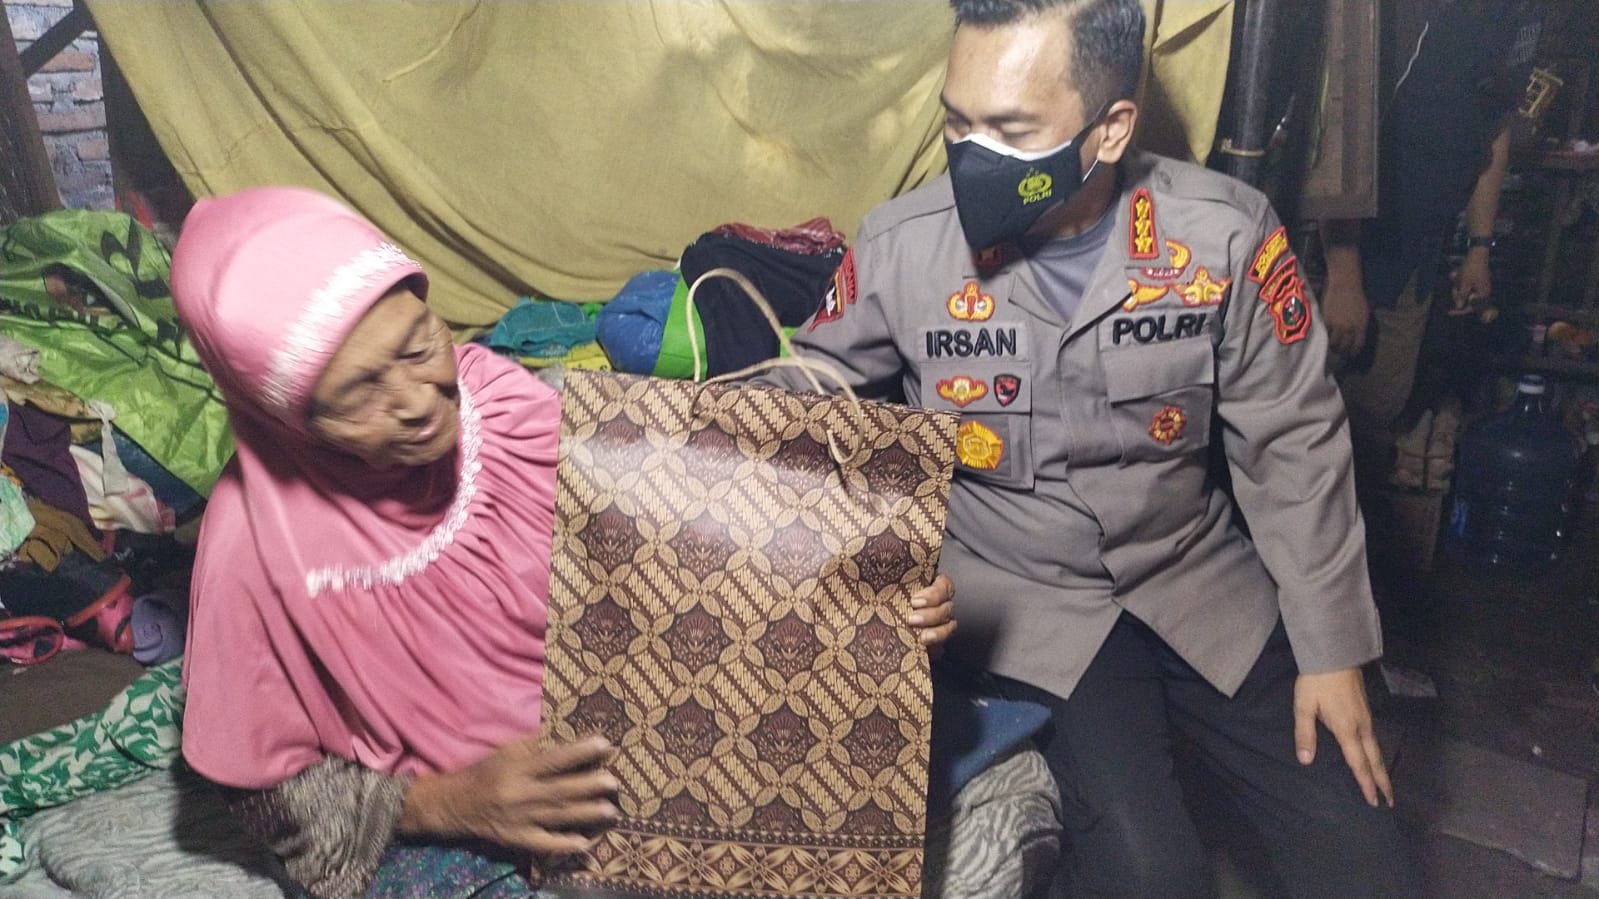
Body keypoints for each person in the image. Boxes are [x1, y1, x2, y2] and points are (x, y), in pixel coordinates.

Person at [757, 0, 1422, 896]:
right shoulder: (902, 246)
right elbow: (802, 403)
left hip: (1193, 578)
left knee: (1363, 859)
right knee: (1151, 874)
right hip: (1025, 601)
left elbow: (1293, 438)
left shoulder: (1221, 235)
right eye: (956, 122)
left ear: (1110, 129)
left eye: (1010, 130)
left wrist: (1330, 647)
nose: (971, 155)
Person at [168, 187, 957, 898]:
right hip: (465, 802)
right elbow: (263, 792)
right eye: (357, 394)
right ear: (283, 419)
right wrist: (448, 802)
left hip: (636, 736)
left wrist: (872, 599)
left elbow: (694, 540)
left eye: (417, 345)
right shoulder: (255, 549)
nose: (418, 399)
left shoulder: (499, 405)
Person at [1322, 0, 1535, 495]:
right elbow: (1339, 128)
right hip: (1338, 245)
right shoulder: (1401, 13)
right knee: (1289, 415)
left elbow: (1495, 132)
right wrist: (1344, 275)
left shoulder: (1518, 18)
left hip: (1416, 251)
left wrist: (1479, 248)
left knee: (1373, 417)